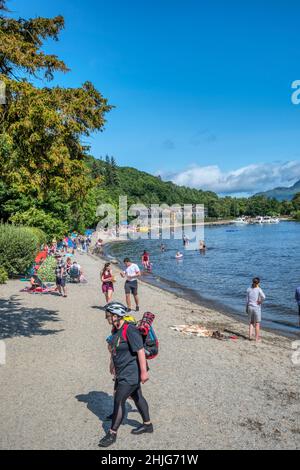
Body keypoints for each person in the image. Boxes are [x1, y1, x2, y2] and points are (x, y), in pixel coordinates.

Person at [98, 302, 153, 448]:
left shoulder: (130, 330)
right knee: (137, 396)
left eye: (108, 315)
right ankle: (148, 425)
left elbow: (140, 351)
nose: (106, 318)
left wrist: (143, 372)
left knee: (119, 400)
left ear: (116, 316)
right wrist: (112, 364)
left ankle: (112, 433)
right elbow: (114, 348)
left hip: (131, 373)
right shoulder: (116, 329)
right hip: (121, 371)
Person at [246, 277, 265, 341]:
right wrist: (260, 301)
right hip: (256, 308)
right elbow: (264, 297)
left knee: (251, 322)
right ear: (258, 283)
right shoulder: (259, 289)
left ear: (252, 282)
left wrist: (246, 308)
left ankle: (250, 337)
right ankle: (257, 338)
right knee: (257, 323)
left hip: (250, 307)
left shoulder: (248, 289)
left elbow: (247, 300)